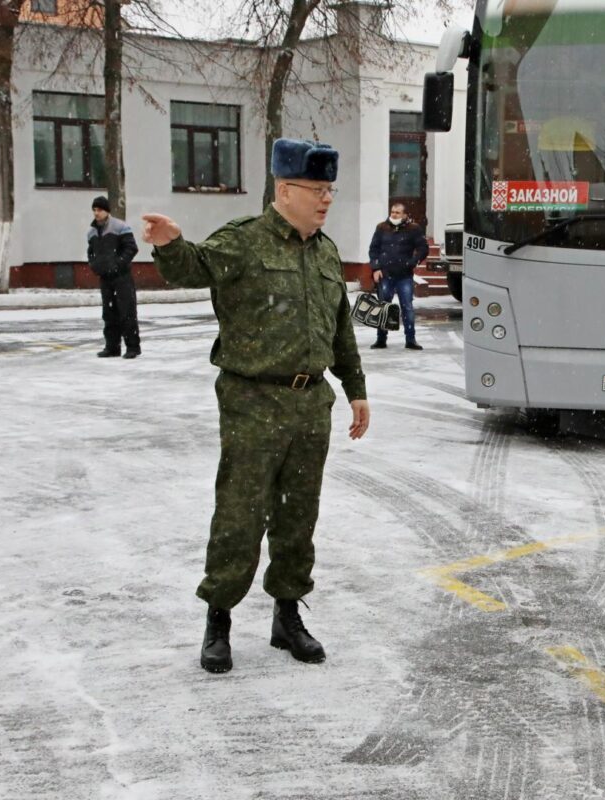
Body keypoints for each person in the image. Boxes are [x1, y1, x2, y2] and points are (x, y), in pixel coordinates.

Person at [141, 138, 370, 675]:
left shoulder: (327, 251)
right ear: (285, 190)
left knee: (298, 515)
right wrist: (171, 244)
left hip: (312, 402)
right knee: (241, 512)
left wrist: (355, 387)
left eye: (329, 190)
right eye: (316, 190)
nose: (326, 200)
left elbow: (341, 328)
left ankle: (287, 617)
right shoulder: (245, 241)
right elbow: (194, 267)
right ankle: (218, 618)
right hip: (252, 399)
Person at [368, 202, 429, 350]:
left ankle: (410, 339)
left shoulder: (413, 229)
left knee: (407, 307)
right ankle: (381, 339)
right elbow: (373, 249)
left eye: (397, 212)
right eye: (392, 212)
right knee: (384, 307)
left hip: (404, 275)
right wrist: (376, 267)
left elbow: (423, 248)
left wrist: (413, 262)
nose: (394, 214)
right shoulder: (382, 227)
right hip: (385, 273)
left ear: (405, 215)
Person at [87, 196, 141, 358]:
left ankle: (133, 347)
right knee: (109, 314)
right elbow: (91, 252)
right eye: (94, 210)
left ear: (107, 211)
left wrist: (118, 264)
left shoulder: (120, 227)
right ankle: (112, 347)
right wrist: (94, 265)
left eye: (100, 210)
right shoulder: (91, 232)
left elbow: (131, 248)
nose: (96, 213)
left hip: (122, 277)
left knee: (127, 312)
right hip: (105, 278)